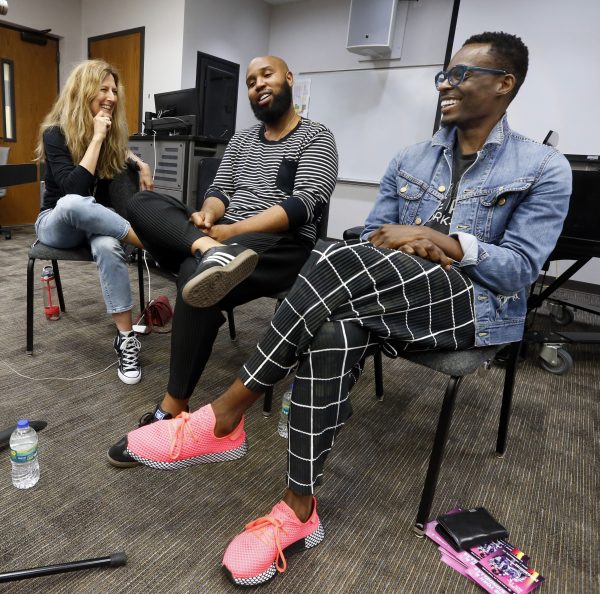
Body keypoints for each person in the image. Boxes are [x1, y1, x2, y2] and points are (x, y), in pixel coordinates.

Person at [114, 32, 572, 586]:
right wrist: (401, 243)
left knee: (328, 258)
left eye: (461, 75)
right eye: (442, 76)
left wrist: (442, 241)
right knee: (332, 319)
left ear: (504, 84)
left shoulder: (544, 166)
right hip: (393, 295)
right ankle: (297, 512)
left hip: (474, 305)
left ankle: (228, 412)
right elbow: (371, 233)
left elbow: (519, 270)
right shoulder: (411, 157)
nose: (446, 86)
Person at [106, 55, 338, 463]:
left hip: (281, 244)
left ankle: (174, 405)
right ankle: (205, 251)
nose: (258, 85)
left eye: (266, 74)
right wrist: (209, 217)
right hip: (223, 239)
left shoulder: (316, 137)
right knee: (142, 202)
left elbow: (304, 204)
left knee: (195, 274)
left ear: (288, 77)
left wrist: (232, 231)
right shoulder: (242, 140)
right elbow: (220, 191)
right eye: (250, 81)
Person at [35, 59, 154, 384]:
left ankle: (126, 338)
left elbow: (120, 160)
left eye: (114, 90)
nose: (111, 96)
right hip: (55, 222)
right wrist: (97, 140)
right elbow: (72, 190)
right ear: (83, 90)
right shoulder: (55, 133)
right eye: (103, 88)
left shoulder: (109, 136)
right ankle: (150, 242)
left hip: (93, 227)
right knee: (74, 202)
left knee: (106, 242)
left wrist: (138, 161)